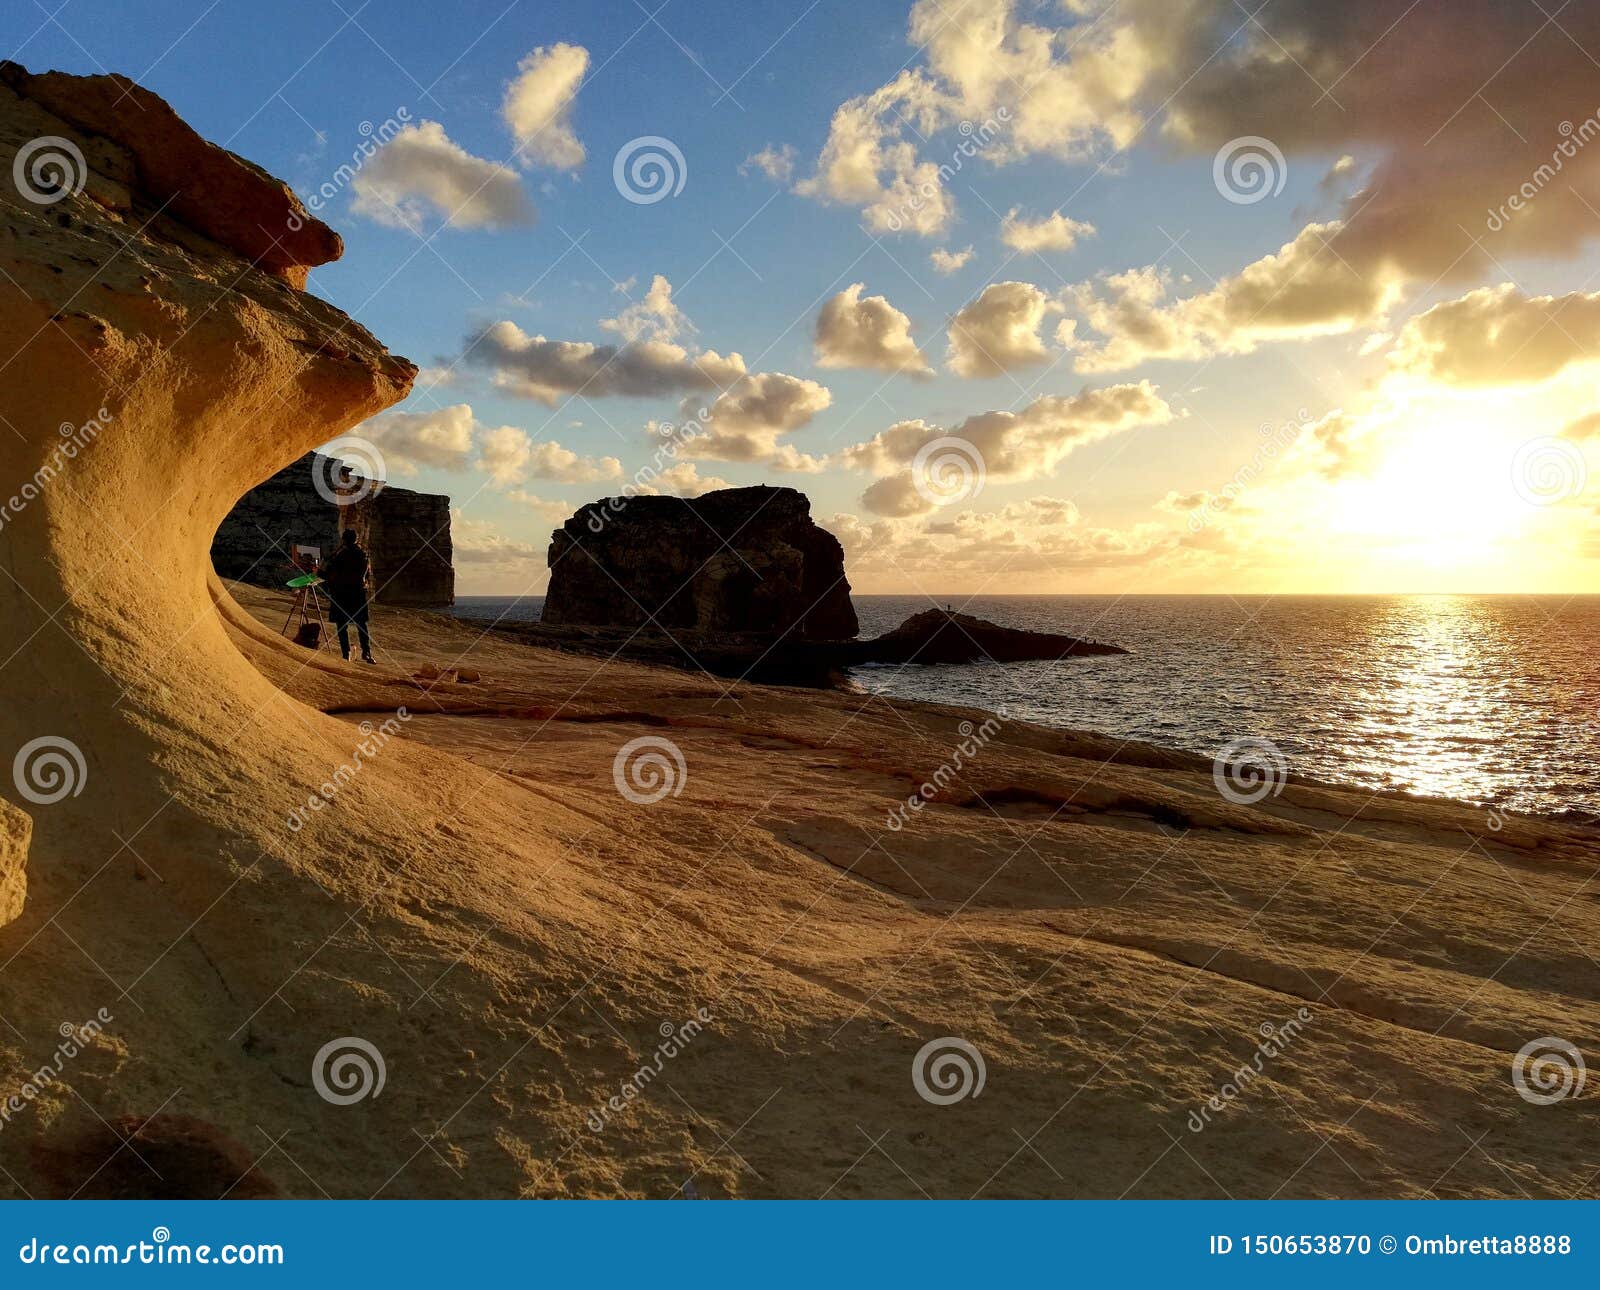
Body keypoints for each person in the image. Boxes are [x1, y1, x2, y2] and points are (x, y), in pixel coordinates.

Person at [320, 529, 375, 663]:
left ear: (344, 540)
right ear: (356, 539)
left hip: (341, 594)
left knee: (342, 625)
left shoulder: (340, 555)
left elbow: (331, 575)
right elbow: (366, 575)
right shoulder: (363, 554)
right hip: (357, 594)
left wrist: (318, 573)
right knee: (361, 624)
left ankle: (346, 653)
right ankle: (366, 652)